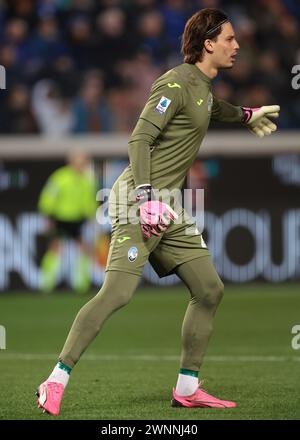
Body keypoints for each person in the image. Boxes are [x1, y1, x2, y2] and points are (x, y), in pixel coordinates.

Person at [36, 8, 280, 415]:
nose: (237, 46)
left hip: (169, 206)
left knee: (209, 289)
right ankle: (55, 379)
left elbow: (210, 108)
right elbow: (139, 139)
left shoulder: (199, 87)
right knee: (117, 293)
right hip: (138, 198)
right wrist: (147, 196)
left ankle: (188, 387)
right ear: (208, 44)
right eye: (230, 39)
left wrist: (246, 116)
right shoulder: (175, 81)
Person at [38, 151, 97, 294]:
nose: (81, 166)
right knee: (55, 249)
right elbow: (48, 196)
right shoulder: (60, 177)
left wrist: (91, 216)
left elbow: (89, 200)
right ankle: (46, 284)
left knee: (84, 249)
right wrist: (48, 215)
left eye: (83, 163)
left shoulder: (87, 180)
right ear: (71, 162)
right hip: (60, 218)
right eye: (79, 162)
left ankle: (81, 285)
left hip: (78, 220)